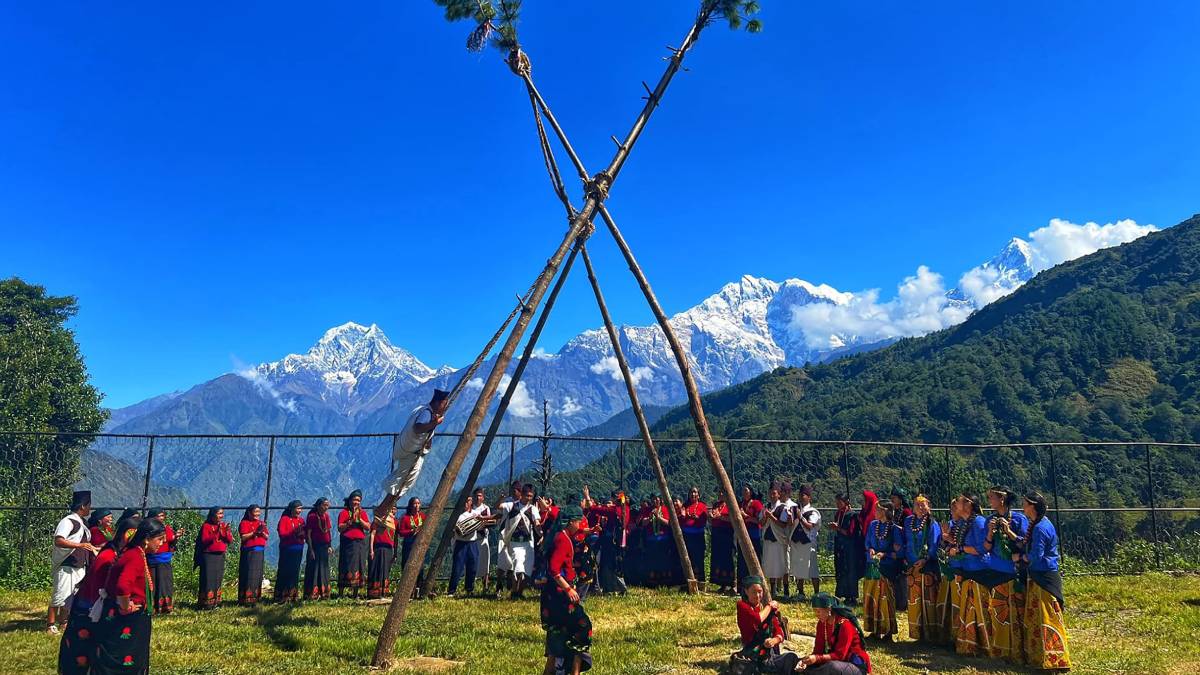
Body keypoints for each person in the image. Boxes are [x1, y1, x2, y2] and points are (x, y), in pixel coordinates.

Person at [58, 515, 140, 675]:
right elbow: (98, 589)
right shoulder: (108, 557)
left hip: (94, 609)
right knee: (83, 655)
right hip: (88, 611)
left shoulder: (117, 554)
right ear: (128, 535)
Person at [92, 517, 166, 675]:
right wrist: (125, 606)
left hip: (125, 614)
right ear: (147, 539)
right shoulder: (135, 556)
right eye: (159, 539)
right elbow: (123, 585)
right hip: (126, 617)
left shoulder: (135, 553)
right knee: (123, 656)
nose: (161, 544)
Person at [1017, 492, 1071, 671]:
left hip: (1044, 577)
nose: (1022, 506)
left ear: (1032, 506)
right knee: (1037, 619)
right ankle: (1041, 658)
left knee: (1047, 619)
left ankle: (1054, 660)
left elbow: (1036, 556)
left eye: (1024, 504)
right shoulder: (1037, 524)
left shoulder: (1040, 527)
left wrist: (1020, 557)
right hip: (1037, 576)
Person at [540, 504, 593, 675]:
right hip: (560, 596)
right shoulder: (562, 540)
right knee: (583, 626)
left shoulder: (557, 536)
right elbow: (554, 569)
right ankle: (574, 670)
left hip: (551, 595)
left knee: (559, 630)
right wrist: (569, 588)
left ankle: (553, 668)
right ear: (571, 522)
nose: (580, 525)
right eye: (579, 521)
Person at [380, 388, 450, 510]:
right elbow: (418, 428)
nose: (446, 407)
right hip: (412, 453)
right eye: (445, 403)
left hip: (408, 450)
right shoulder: (426, 413)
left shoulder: (424, 409)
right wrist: (435, 424)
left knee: (403, 481)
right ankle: (383, 509)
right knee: (402, 482)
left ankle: (386, 508)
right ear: (439, 403)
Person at [983, 485, 1030, 662]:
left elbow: (1024, 544)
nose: (990, 501)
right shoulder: (990, 519)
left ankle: (1018, 650)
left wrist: (1009, 532)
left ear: (1001, 499)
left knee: (1015, 613)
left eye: (992, 498)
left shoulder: (1018, 518)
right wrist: (990, 531)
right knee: (998, 612)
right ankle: (1000, 650)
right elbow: (986, 547)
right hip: (996, 570)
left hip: (1014, 571)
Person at [49, 490, 97, 634]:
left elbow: (84, 543)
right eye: (88, 506)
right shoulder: (68, 521)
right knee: (60, 594)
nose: (90, 509)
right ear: (82, 506)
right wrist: (79, 546)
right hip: (67, 564)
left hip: (79, 565)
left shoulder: (83, 524)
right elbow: (59, 540)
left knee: (71, 596)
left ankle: (64, 622)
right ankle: (50, 624)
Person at [734, 575, 799, 673]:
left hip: (769, 652)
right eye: (753, 592)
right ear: (746, 592)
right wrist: (770, 606)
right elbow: (758, 619)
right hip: (753, 653)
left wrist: (774, 640)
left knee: (792, 657)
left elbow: (779, 632)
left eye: (760, 592)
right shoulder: (742, 606)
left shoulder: (766, 610)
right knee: (789, 660)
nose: (757, 595)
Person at [953, 492, 991, 656]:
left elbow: (982, 548)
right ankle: (970, 645)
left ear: (968, 505)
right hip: (967, 570)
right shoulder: (963, 522)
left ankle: (985, 645)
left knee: (979, 611)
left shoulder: (978, 522)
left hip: (978, 572)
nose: (956, 505)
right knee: (968, 610)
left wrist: (960, 549)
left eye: (960, 502)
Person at [801, 592, 873, 674]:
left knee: (832, 667)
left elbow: (840, 655)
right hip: (835, 662)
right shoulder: (821, 624)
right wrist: (808, 661)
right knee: (803, 663)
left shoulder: (845, 624)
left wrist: (816, 658)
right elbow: (818, 649)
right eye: (815, 611)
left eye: (818, 611)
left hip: (854, 665)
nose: (816, 615)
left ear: (829, 609)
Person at [904, 495, 942, 643]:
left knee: (927, 599)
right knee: (914, 600)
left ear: (929, 507)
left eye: (923, 505)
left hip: (926, 567)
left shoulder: (932, 524)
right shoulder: (908, 522)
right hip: (911, 566)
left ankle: (929, 633)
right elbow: (906, 540)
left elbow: (934, 544)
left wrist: (926, 559)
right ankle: (917, 633)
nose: (920, 507)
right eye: (917, 505)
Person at [582, 486, 629, 595]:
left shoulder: (614, 510)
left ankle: (616, 588)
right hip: (619, 541)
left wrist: (587, 497)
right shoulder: (625, 509)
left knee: (609, 565)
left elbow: (594, 508)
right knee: (616, 565)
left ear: (614, 499)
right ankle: (614, 589)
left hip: (611, 542)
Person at [862, 502, 898, 640]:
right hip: (872, 566)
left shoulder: (894, 529)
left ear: (885, 511)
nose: (875, 511)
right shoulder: (873, 525)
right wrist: (870, 549)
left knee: (885, 599)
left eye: (877, 509)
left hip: (886, 568)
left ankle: (888, 631)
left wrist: (885, 554)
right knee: (872, 597)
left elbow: (897, 550)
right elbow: (867, 542)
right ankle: (875, 630)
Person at [499, 484, 540, 599]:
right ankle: (514, 591)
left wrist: (541, 533)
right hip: (514, 542)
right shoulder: (512, 506)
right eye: (527, 495)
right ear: (521, 495)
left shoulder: (533, 509)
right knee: (517, 567)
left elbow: (536, 522)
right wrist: (500, 499)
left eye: (531, 496)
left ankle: (519, 592)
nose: (529, 498)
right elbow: (499, 506)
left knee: (526, 570)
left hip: (528, 543)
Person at [449, 494, 486, 597]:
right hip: (461, 543)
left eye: (469, 501)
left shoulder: (475, 513)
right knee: (457, 567)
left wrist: (481, 521)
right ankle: (452, 590)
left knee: (472, 566)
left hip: (472, 543)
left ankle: (469, 588)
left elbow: (481, 525)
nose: (468, 503)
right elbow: (456, 530)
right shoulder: (458, 515)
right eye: (466, 501)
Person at [195, 506, 232, 609]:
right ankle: (206, 603)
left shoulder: (223, 525)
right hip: (208, 556)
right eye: (219, 514)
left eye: (222, 514)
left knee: (217, 578)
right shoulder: (206, 526)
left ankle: (216, 601)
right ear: (212, 515)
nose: (221, 516)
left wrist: (226, 532)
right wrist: (216, 533)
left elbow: (229, 540)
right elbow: (204, 540)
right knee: (208, 579)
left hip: (220, 556)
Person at [760, 483, 793, 598]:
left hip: (779, 540)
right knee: (770, 565)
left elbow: (783, 524)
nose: (772, 496)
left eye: (774, 493)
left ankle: (786, 590)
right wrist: (765, 517)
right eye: (770, 493)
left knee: (783, 565)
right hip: (769, 540)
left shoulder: (783, 507)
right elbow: (761, 523)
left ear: (779, 494)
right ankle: (772, 590)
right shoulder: (766, 506)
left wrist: (771, 517)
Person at [828, 493, 861, 606]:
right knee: (841, 569)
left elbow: (851, 532)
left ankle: (851, 596)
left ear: (845, 502)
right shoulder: (838, 514)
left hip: (850, 547)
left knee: (850, 570)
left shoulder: (852, 515)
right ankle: (841, 593)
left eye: (839, 502)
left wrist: (838, 528)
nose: (837, 504)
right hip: (840, 545)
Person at [144, 508, 179, 614]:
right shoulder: (148, 528)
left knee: (165, 583)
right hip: (152, 559)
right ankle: (152, 607)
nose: (162, 518)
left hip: (164, 560)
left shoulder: (166, 528)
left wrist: (176, 537)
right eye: (160, 516)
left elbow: (170, 540)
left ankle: (165, 606)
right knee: (153, 583)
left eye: (163, 516)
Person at [790, 484, 822, 600]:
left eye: (803, 495)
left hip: (809, 543)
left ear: (809, 497)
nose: (801, 497)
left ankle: (817, 593)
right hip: (797, 542)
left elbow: (810, 526)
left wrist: (800, 517)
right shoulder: (796, 509)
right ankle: (801, 592)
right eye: (800, 495)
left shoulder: (813, 512)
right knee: (799, 567)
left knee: (812, 568)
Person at [338, 489, 371, 598]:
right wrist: (350, 521)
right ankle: (341, 593)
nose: (356, 502)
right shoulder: (343, 513)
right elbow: (340, 528)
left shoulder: (363, 513)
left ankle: (355, 593)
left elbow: (368, 527)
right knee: (345, 565)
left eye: (359, 500)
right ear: (350, 501)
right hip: (347, 543)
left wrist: (359, 519)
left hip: (360, 543)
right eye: (354, 500)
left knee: (359, 565)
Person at [237, 504, 269, 606]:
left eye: (259, 512)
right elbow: (243, 537)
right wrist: (254, 532)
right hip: (249, 552)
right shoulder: (244, 523)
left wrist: (262, 532)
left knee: (257, 575)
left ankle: (255, 597)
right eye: (255, 512)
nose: (257, 514)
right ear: (249, 513)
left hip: (259, 552)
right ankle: (246, 598)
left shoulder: (261, 523)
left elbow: (266, 536)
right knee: (248, 575)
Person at [275, 500, 306, 602]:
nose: (299, 511)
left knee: (294, 572)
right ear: (292, 509)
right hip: (287, 549)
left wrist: (302, 534)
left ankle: (292, 595)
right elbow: (282, 534)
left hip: (298, 549)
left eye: (300, 508)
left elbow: (305, 534)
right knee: (285, 571)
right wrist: (295, 533)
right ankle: (282, 595)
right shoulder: (284, 519)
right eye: (297, 508)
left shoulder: (301, 521)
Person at [887, 488, 913, 612]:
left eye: (894, 498)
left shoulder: (907, 513)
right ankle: (897, 601)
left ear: (901, 499)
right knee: (895, 575)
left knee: (903, 575)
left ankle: (904, 603)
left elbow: (909, 530)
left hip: (903, 547)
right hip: (894, 546)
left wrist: (897, 528)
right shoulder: (894, 512)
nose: (892, 500)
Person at [677, 486, 708, 588]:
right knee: (687, 558)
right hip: (686, 537)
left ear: (698, 495)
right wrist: (683, 516)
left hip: (698, 537)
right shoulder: (685, 506)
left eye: (695, 492)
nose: (693, 494)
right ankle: (688, 582)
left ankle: (701, 584)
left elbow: (704, 521)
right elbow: (680, 521)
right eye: (691, 492)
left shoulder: (702, 506)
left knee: (698, 559)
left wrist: (698, 518)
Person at [736, 485, 764, 594]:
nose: (744, 493)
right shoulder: (740, 504)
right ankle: (742, 587)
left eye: (746, 491)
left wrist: (745, 516)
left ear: (751, 492)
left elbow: (759, 521)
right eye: (742, 491)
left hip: (754, 535)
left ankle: (756, 585)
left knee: (754, 560)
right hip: (742, 535)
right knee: (742, 561)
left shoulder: (756, 504)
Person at [367, 502, 398, 599]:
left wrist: (395, 552)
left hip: (388, 548)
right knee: (376, 569)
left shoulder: (395, 523)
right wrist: (371, 550)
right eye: (391, 508)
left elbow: (396, 538)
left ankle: (383, 592)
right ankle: (374, 593)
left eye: (394, 509)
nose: (392, 511)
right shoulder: (379, 520)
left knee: (385, 569)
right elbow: (372, 534)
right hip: (378, 548)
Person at [304, 497, 333, 600]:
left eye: (327, 505)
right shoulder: (312, 516)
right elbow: (308, 533)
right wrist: (311, 549)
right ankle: (312, 594)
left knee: (324, 569)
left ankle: (324, 593)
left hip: (324, 546)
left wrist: (329, 545)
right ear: (319, 505)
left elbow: (328, 531)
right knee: (314, 569)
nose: (326, 507)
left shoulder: (326, 516)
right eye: (324, 505)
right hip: (315, 546)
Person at [708, 491, 736, 594]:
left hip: (727, 535)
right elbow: (711, 521)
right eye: (719, 493)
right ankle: (722, 584)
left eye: (722, 493)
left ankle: (733, 584)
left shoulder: (730, 504)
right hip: (716, 535)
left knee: (728, 559)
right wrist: (710, 517)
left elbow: (734, 519)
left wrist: (721, 517)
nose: (720, 495)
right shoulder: (716, 505)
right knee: (718, 559)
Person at [472, 488, 494, 593]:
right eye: (476, 495)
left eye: (480, 495)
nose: (478, 497)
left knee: (485, 563)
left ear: (483, 497)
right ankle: (470, 587)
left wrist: (482, 522)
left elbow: (489, 522)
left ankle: (485, 587)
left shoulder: (486, 508)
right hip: (471, 539)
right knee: (472, 563)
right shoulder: (470, 509)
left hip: (483, 539)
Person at [397, 497, 424, 569]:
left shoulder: (422, 516)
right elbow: (401, 532)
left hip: (420, 544)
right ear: (411, 506)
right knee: (407, 565)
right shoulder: (405, 518)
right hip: (408, 545)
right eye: (415, 503)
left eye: (418, 503)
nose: (417, 505)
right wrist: (412, 531)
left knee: (419, 567)